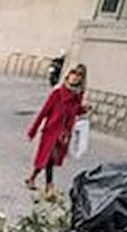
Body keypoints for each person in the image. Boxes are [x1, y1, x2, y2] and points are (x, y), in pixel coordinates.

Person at [25, 63, 89, 195]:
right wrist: (33, 130)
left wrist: (83, 109)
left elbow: (73, 111)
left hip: (64, 134)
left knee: (49, 159)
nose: (75, 78)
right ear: (68, 75)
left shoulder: (77, 96)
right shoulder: (58, 93)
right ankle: (49, 185)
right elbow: (44, 112)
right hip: (51, 131)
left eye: (79, 76)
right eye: (74, 74)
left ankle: (32, 178)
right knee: (49, 157)